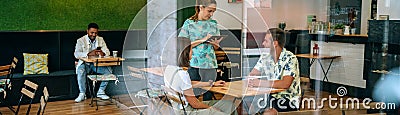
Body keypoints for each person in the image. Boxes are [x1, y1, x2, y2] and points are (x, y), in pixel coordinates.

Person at [163, 45, 237, 115]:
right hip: (188, 111)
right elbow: (195, 104)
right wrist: (211, 109)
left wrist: (211, 84)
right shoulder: (182, 74)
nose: (193, 52)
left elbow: (187, 83)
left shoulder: (169, 69)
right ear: (185, 53)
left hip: (179, 108)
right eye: (192, 50)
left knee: (230, 105)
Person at [248, 28, 301, 114]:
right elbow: (253, 73)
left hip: (288, 99)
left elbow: (285, 84)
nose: (263, 44)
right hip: (270, 97)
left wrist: (260, 83)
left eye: (266, 41)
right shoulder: (265, 57)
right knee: (250, 108)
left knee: (268, 113)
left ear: (275, 43)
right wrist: (251, 80)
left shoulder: (290, 58)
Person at [178, 0, 222, 101]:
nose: (211, 14)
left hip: (210, 64)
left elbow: (216, 47)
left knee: (209, 95)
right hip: (194, 64)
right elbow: (183, 44)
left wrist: (215, 45)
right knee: (194, 94)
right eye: (209, 11)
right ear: (201, 7)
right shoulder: (189, 23)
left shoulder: (214, 24)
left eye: (213, 12)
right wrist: (203, 40)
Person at [74, 23, 112, 102]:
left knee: (108, 71)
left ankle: (101, 91)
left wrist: (103, 53)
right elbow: (76, 54)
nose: (94, 35)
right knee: (81, 71)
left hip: (96, 65)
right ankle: (82, 93)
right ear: (87, 31)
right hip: (85, 64)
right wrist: (88, 53)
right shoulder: (80, 40)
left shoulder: (101, 39)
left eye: (95, 33)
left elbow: (107, 52)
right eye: (92, 32)